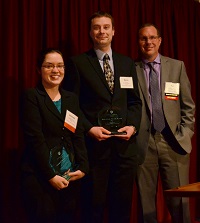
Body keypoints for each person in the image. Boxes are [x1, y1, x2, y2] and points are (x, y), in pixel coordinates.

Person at [63, 11, 142, 223]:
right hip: (94, 149)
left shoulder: (127, 63)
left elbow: (135, 102)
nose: (102, 31)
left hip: (124, 149)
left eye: (106, 27)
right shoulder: (78, 63)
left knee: (122, 208)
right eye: (97, 27)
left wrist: (133, 126)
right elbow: (71, 106)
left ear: (114, 31)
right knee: (93, 207)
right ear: (90, 32)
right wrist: (89, 128)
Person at [19, 48, 89, 223]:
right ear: (39, 70)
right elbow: (36, 140)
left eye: (60, 66)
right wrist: (51, 176)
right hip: (41, 178)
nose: (55, 70)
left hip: (69, 177)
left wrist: (83, 168)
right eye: (49, 66)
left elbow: (78, 134)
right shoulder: (32, 97)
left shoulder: (71, 98)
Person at [135, 23, 195, 223]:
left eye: (152, 37)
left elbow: (188, 106)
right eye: (144, 38)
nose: (148, 42)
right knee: (146, 205)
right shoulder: (131, 69)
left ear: (160, 40)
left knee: (180, 203)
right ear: (139, 42)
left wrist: (185, 133)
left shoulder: (177, 66)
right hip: (144, 143)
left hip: (173, 142)